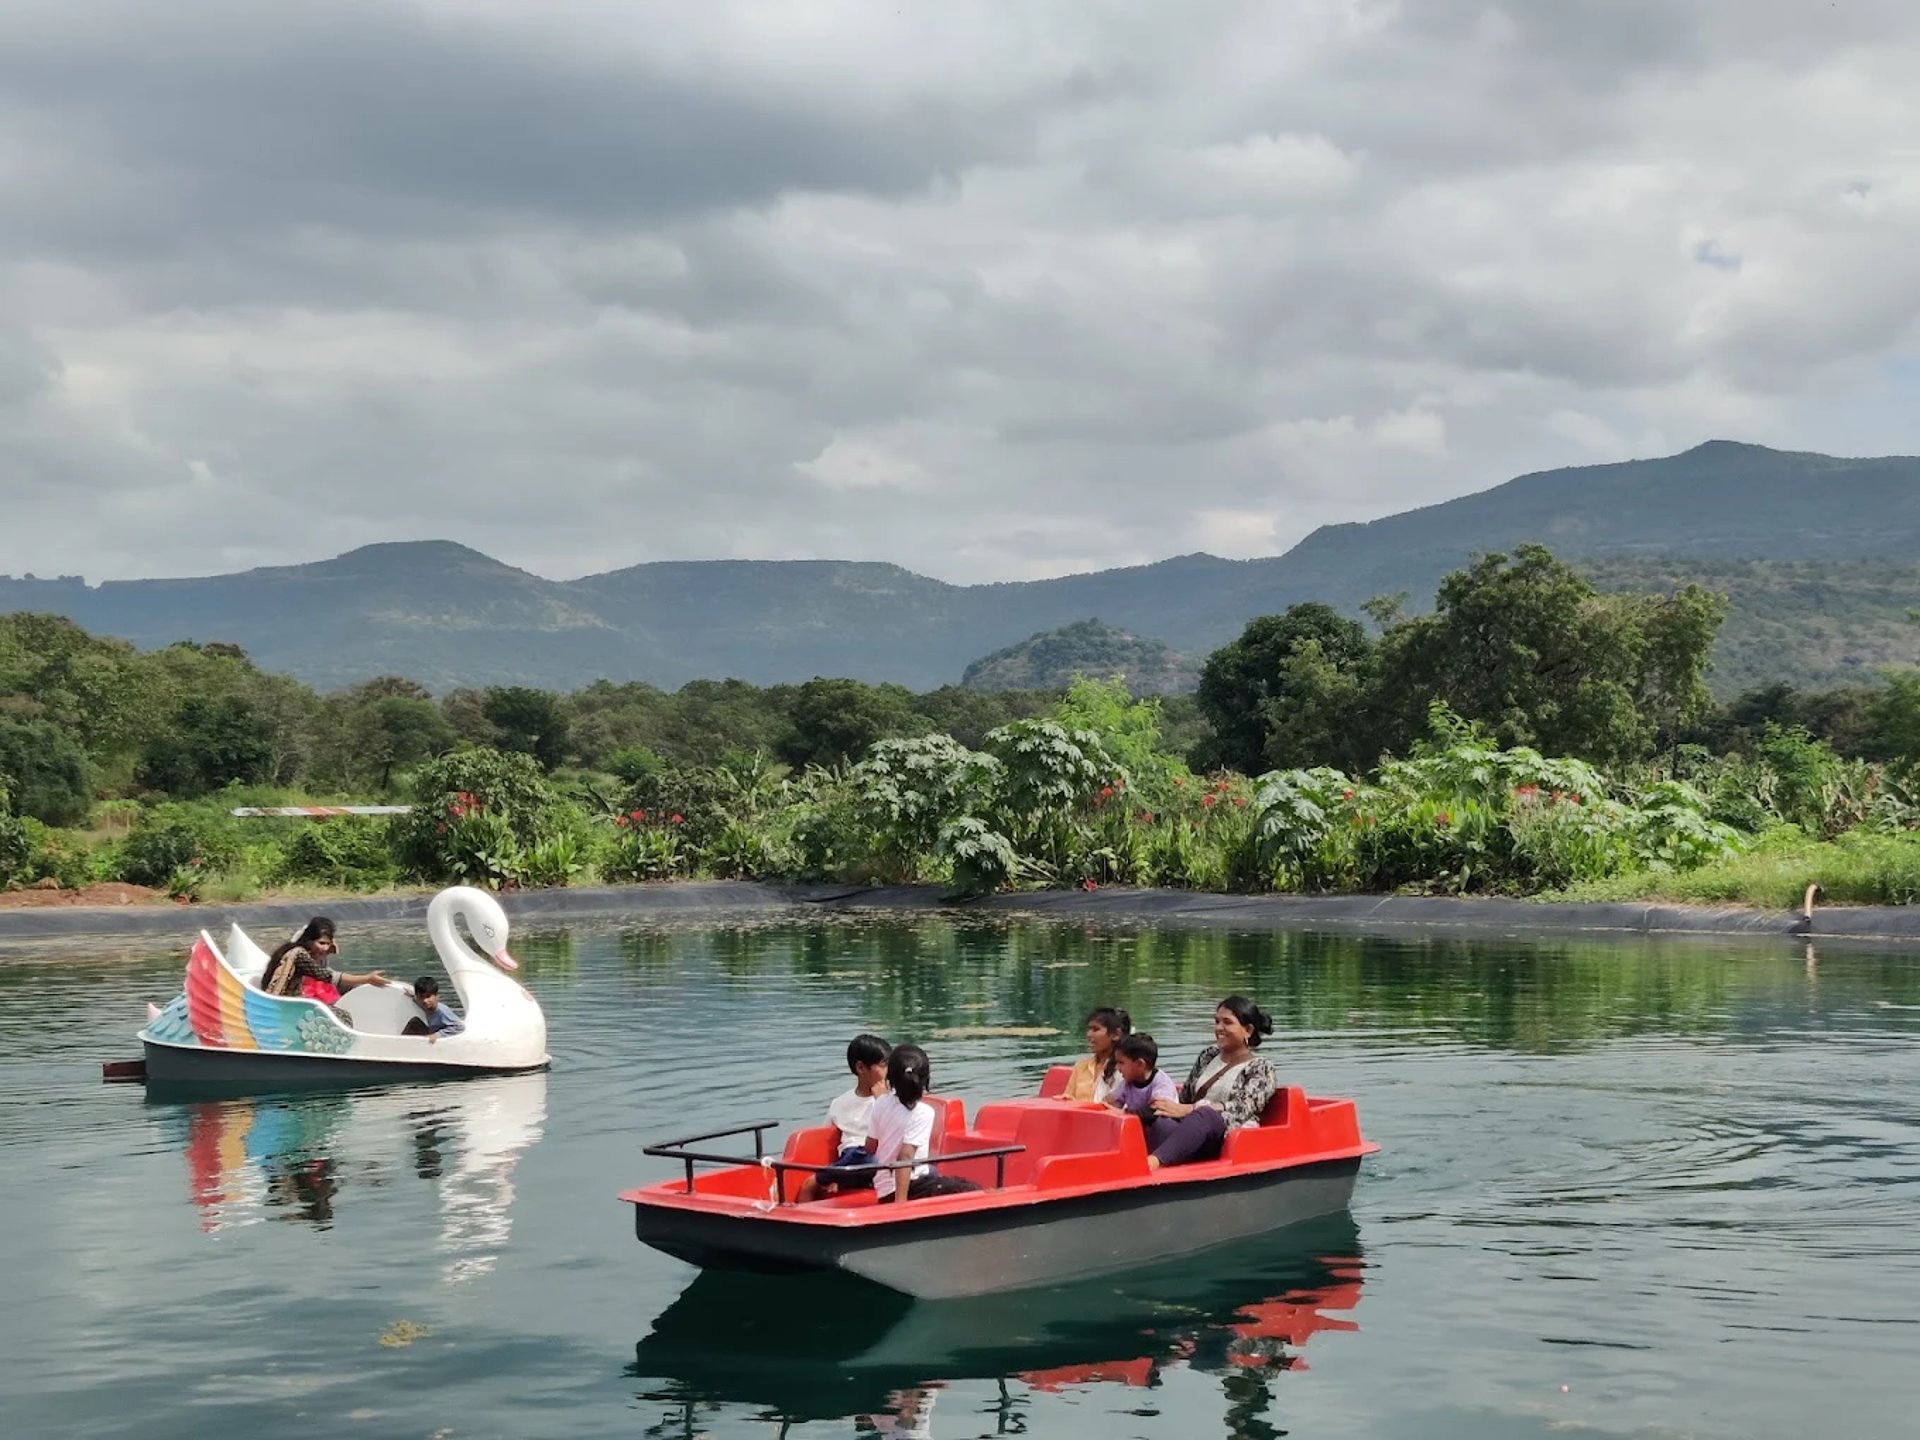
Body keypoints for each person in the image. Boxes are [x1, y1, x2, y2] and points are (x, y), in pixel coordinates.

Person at [1143, 995, 1277, 1171]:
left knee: (1205, 1115)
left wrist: (1193, 1109)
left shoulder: (1261, 1068)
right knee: (1162, 1119)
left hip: (1225, 1137)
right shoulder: (1208, 1055)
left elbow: (1243, 1108)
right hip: (1192, 1132)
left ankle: (1153, 1163)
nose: (1219, 1028)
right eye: (1217, 1021)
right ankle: (1155, 1164)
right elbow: (1185, 1097)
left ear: (1248, 1030)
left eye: (1227, 1022)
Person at [866, 1044, 979, 1205]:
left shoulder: (881, 1102)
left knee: (933, 1172)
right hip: (904, 1188)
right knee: (970, 1189)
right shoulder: (923, 1112)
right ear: (926, 1080)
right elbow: (905, 1158)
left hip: (883, 1187)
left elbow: (870, 1147)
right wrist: (900, 1204)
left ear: (890, 1078)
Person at [796, 1033, 891, 1203]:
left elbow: (894, 1133)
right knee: (860, 1155)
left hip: (879, 1156)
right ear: (861, 1068)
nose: (888, 1071)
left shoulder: (892, 1100)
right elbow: (826, 1138)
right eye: (883, 1065)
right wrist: (835, 1174)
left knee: (871, 1157)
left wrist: (882, 1101)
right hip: (852, 1158)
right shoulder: (840, 1103)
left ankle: (821, 1179)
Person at [260, 917, 390, 1005]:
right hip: (287, 1004)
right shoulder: (299, 955)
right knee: (343, 1015)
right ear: (309, 940)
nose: (325, 949)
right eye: (321, 943)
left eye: (328, 944)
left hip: (297, 1000)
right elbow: (328, 976)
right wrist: (367, 979)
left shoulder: (310, 954)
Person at [1059, 1006, 1130, 1103]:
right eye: (1089, 1029)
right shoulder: (1080, 1067)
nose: (1088, 1035)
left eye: (1095, 1029)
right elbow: (1067, 1099)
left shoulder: (1125, 1070)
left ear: (1116, 1034)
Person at [1104, 1032, 1178, 1121]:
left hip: (1163, 1126)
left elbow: (1157, 1111)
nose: (1117, 1068)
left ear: (1140, 1064)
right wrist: (1104, 1105)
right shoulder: (1127, 1083)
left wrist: (1124, 1113)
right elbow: (1112, 1102)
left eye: (1121, 1063)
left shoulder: (1162, 1084)